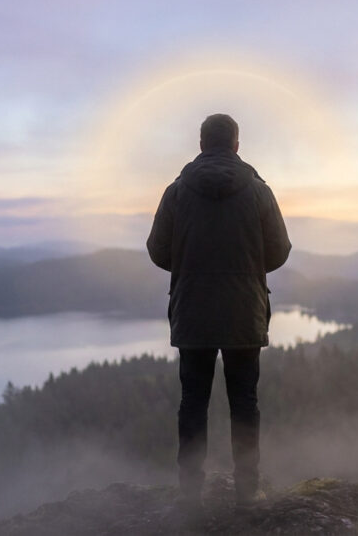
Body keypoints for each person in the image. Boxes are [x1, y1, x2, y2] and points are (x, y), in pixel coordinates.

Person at [147, 113, 292, 509]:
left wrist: (191, 266)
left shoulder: (177, 192)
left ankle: (190, 493)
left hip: (193, 311)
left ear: (200, 145)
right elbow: (279, 251)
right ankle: (247, 491)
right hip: (244, 311)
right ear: (236, 146)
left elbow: (158, 251)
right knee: (244, 401)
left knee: (193, 401)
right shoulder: (259, 192)